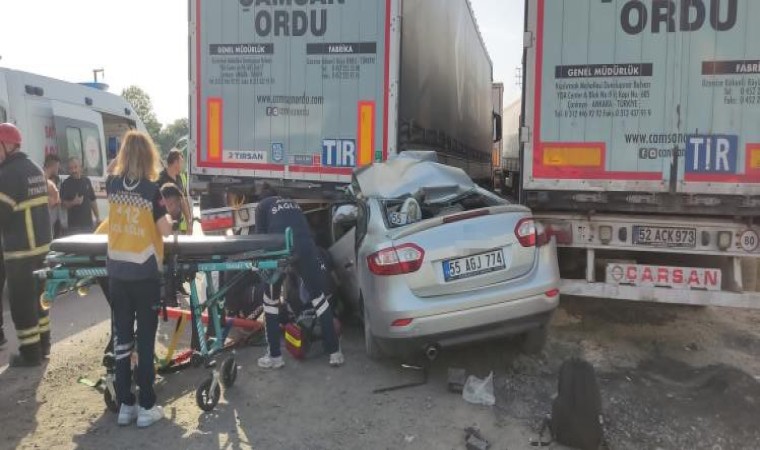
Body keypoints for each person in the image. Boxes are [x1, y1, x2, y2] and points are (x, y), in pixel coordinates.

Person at [106, 130, 172, 427]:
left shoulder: (112, 185)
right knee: (144, 341)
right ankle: (147, 406)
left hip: (117, 274)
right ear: (148, 157)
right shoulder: (151, 191)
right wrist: (168, 216)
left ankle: (126, 406)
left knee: (122, 340)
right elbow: (166, 230)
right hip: (144, 275)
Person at [254, 183, 344, 368]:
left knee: (270, 302)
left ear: (262, 197)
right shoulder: (292, 203)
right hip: (306, 247)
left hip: (280, 249)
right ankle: (335, 353)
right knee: (319, 299)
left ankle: (275, 357)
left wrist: (259, 267)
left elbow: (261, 240)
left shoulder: (262, 206)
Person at [0, 123, 53, 366]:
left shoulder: (8, 173)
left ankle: (30, 354)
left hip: (21, 251)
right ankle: (43, 346)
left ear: (8, 145)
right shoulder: (33, 168)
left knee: (22, 303)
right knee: (39, 301)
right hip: (42, 249)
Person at [60, 157, 99, 234]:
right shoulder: (66, 184)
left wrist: (97, 217)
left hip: (88, 225)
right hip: (74, 227)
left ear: (80, 167)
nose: (74, 170)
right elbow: (62, 205)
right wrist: (73, 202)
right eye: (71, 168)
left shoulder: (87, 181)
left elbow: (92, 200)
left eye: (75, 167)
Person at [158, 150, 192, 235]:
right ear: (176, 162)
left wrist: (189, 222)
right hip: (164, 227)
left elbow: (183, 200)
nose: (182, 165)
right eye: (181, 162)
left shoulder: (180, 178)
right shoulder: (160, 179)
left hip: (178, 226)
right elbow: (156, 202)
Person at [43, 154, 63, 238]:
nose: (58, 169)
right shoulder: (42, 178)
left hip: (54, 220)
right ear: (54, 165)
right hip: (45, 220)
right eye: (57, 166)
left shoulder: (56, 179)